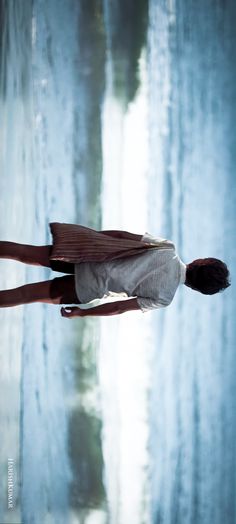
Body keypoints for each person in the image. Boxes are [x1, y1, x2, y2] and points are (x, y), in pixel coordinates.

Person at [0, 223, 231, 317]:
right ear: (197, 289)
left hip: (87, 254)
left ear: (201, 260)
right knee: (25, 295)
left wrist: (90, 238)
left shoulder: (167, 248)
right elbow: (119, 307)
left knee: (24, 252)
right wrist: (84, 312)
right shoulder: (164, 297)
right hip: (87, 288)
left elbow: (121, 237)